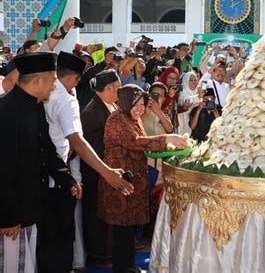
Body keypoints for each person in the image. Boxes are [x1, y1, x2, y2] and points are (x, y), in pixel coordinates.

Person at [41, 52, 133, 272]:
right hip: (59, 174)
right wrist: (108, 172)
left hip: (44, 170)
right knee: (60, 235)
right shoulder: (65, 99)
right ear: (74, 78)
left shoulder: (49, 94)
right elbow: (78, 143)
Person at [0, 52, 82, 272]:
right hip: (13, 218)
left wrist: (67, 179)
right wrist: (9, 217)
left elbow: (46, 148)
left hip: (31, 208)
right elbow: (4, 169)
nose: (54, 87)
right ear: (37, 81)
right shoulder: (7, 111)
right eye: (53, 81)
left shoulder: (35, 106)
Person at [97, 84, 191, 272]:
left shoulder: (132, 119)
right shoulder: (117, 119)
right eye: (135, 104)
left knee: (129, 230)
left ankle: (129, 266)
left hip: (133, 184)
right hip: (120, 184)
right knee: (121, 232)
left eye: (142, 103)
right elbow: (136, 142)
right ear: (124, 102)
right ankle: (122, 268)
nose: (140, 108)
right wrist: (168, 139)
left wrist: (169, 145)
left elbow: (145, 144)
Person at [80, 69, 125, 268]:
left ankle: (108, 253)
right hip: (97, 173)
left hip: (109, 172)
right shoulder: (92, 113)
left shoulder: (110, 106)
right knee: (96, 216)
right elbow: (95, 149)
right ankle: (98, 257)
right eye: (118, 88)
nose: (120, 91)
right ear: (108, 88)